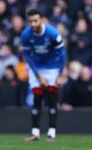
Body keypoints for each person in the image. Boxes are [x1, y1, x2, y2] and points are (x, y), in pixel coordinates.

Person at [21, 9, 66, 141]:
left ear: (41, 19)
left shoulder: (52, 33)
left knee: (52, 98)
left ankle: (51, 132)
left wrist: (60, 74)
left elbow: (62, 53)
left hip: (52, 68)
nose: (33, 24)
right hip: (36, 68)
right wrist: (37, 75)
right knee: (37, 98)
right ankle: (35, 133)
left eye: (36, 20)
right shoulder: (26, 35)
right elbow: (27, 56)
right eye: (30, 21)